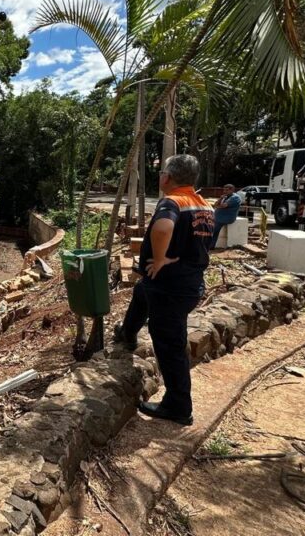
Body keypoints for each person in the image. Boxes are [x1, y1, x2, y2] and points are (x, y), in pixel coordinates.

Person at [114, 155, 214, 426]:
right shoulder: (204, 206)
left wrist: (159, 259)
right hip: (188, 283)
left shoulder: (172, 202)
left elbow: (163, 228)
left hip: (170, 287)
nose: (160, 177)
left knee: (169, 344)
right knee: (141, 291)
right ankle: (128, 334)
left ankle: (178, 406)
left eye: (162, 173)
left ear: (168, 177)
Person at [210, 183, 242, 250]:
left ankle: (210, 246)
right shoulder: (225, 197)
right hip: (219, 217)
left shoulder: (235, 198)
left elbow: (223, 206)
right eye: (224, 190)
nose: (224, 192)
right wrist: (220, 198)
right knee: (210, 227)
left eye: (227, 190)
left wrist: (218, 206)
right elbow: (215, 204)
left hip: (226, 218)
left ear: (232, 190)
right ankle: (210, 245)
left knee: (213, 229)